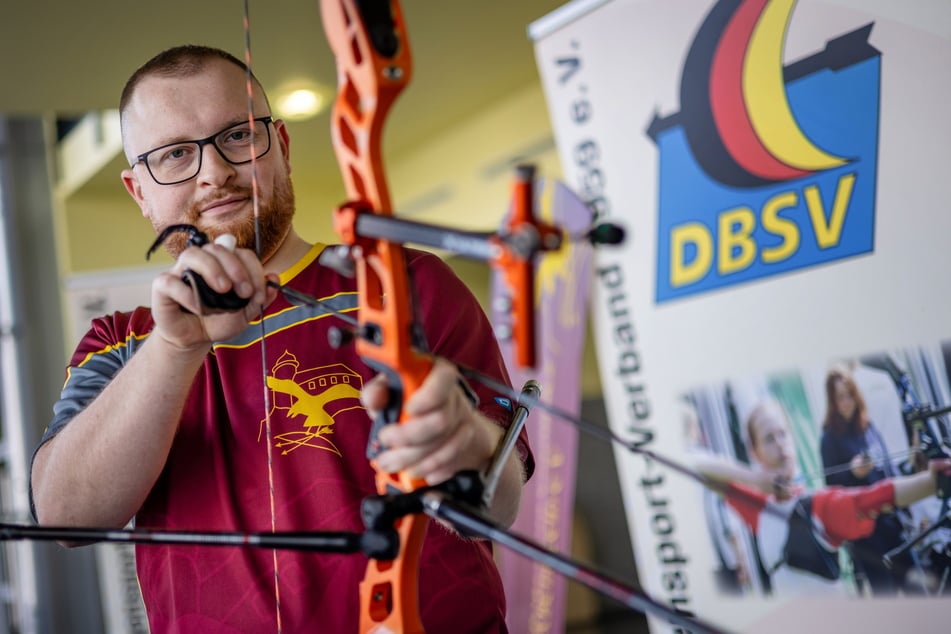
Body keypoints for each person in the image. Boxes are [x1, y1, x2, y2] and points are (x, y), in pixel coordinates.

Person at [30, 45, 533, 633]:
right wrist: (175, 347)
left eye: (238, 137)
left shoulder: (407, 285)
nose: (214, 172)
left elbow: (495, 504)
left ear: (283, 147)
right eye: (174, 155)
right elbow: (65, 518)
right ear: (139, 191)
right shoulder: (120, 341)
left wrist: (465, 447)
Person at [694, 398, 951, 596]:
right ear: (755, 451)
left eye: (783, 434)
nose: (780, 444)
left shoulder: (818, 507)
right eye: (769, 439)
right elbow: (696, 465)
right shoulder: (759, 510)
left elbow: (878, 496)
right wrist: (754, 479)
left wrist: (932, 481)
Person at [820, 366, 912, 594]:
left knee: (915, 586)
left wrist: (907, 508)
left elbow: (889, 466)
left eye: (849, 394)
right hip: (866, 535)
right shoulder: (829, 439)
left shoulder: (867, 425)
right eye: (840, 397)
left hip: (892, 523)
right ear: (832, 401)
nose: (847, 402)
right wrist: (853, 473)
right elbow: (831, 488)